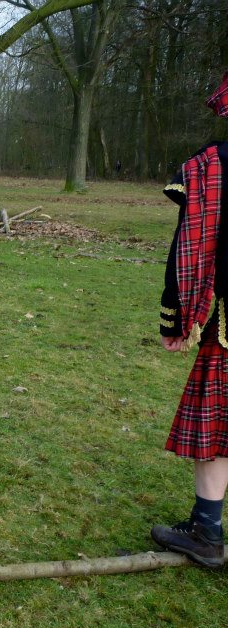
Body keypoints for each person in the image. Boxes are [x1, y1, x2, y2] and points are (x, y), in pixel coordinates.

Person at [151, 71, 228, 568]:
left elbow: (190, 248)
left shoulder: (210, 167)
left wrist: (175, 318)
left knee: (217, 428)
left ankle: (206, 529)